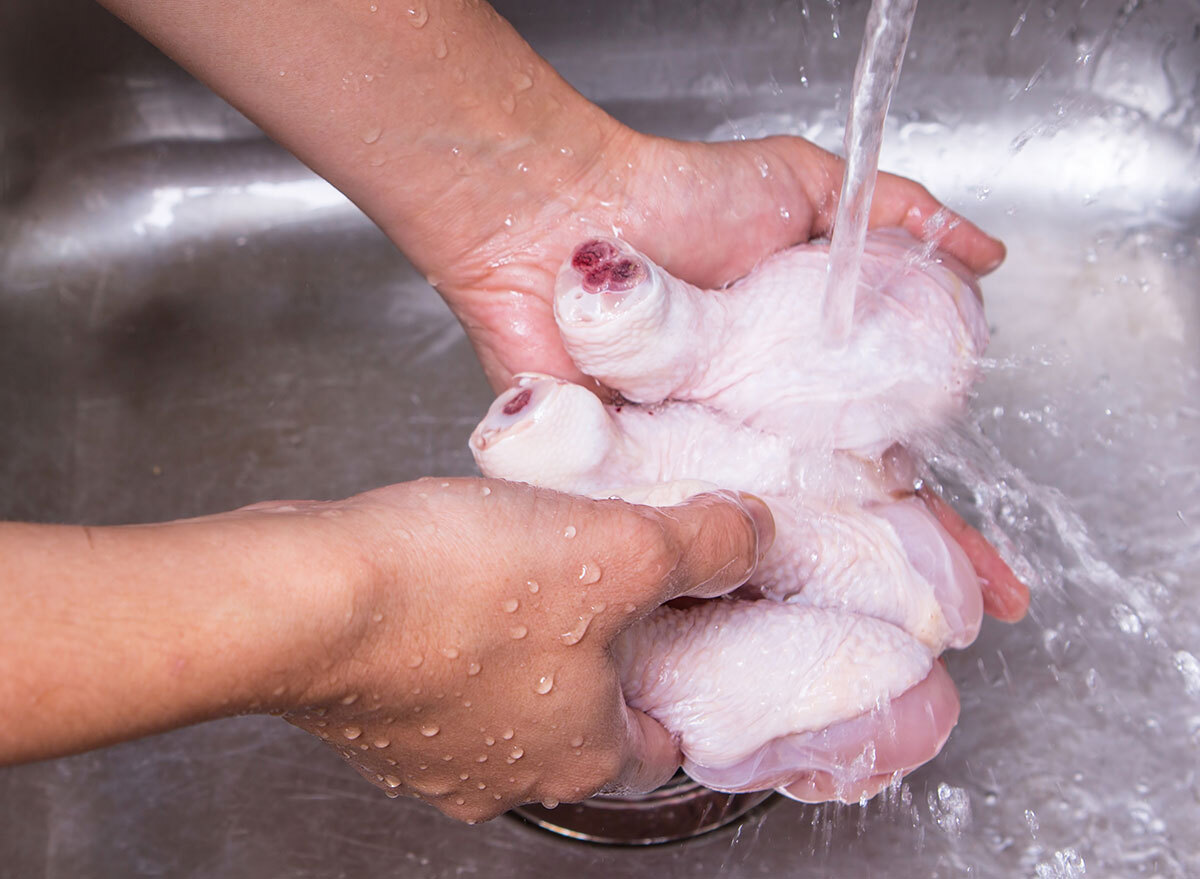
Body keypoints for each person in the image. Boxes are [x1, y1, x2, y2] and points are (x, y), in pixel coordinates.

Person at [0, 0, 1023, 824]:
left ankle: (657, 420)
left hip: (690, 417)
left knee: (845, 593)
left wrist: (537, 192)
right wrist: (348, 622)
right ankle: (664, 483)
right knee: (863, 648)